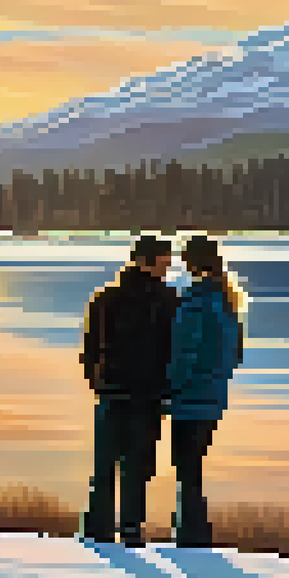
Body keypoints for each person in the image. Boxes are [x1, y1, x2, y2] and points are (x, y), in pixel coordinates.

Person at [80, 234, 179, 546]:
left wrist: (97, 384)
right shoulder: (169, 301)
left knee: (105, 466)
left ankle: (98, 531)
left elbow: (89, 349)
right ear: (149, 260)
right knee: (138, 468)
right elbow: (174, 351)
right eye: (165, 259)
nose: (169, 264)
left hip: (111, 393)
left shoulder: (105, 298)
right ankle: (131, 530)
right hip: (147, 398)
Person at [165, 234, 245, 548]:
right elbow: (235, 354)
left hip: (190, 399)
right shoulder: (227, 302)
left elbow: (185, 352)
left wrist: (170, 388)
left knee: (187, 470)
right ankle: (194, 533)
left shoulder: (195, 302)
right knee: (193, 467)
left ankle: (191, 536)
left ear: (190, 262)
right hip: (213, 397)